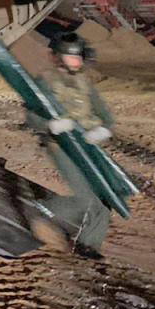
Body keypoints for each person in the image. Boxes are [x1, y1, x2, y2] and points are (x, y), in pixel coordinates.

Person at [27, 31, 114, 256]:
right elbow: (32, 114)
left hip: (88, 146)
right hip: (62, 146)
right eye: (71, 57)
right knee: (88, 201)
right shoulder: (45, 81)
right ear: (58, 57)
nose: (76, 62)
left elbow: (104, 114)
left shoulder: (84, 83)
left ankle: (88, 248)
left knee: (105, 201)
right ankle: (46, 211)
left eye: (79, 58)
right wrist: (50, 125)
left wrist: (103, 129)